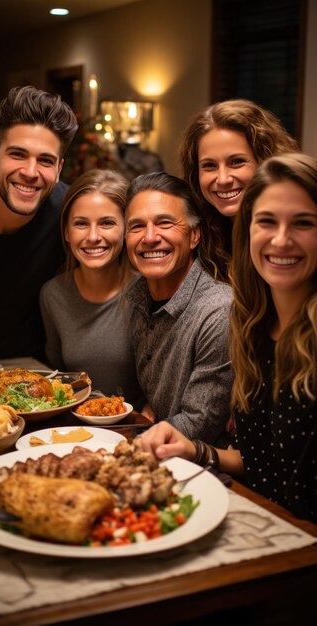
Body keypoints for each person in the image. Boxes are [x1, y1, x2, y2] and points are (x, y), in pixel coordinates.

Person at [138, 153, 317, 523]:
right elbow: (261, 462)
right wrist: (196, 450)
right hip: (259, 517)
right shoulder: (254, 329)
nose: (281, 240)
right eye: (266, 221)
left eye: (303, 223)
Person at [0, 85, 78, 364]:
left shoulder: (72, 215)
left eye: (45, 160)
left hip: (38, 377)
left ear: (59, 170)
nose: (30, 172)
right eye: (17, 154)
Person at [124, 171, 233, 446]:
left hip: (202, 471)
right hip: (154, 446)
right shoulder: (135, 297)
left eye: (164, 223)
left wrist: (128, 442)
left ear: (194, 235)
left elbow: (200, 423)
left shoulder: (217, 310)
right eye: (136, 227)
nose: (149, 237)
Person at [40, 169, 144, 408]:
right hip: (77, 426)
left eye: (107, 223)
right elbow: (60, 379)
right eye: (81, 224)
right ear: (66, 232)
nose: (93, 236)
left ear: (127, 229)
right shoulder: (52, 295)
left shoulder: (148, 290)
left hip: (140, 428)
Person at [180, 98, 299, 282]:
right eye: (209, 165)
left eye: (236, 162)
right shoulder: (198, 236)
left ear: (264, 161)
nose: (223, 179)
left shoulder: (294, 235)